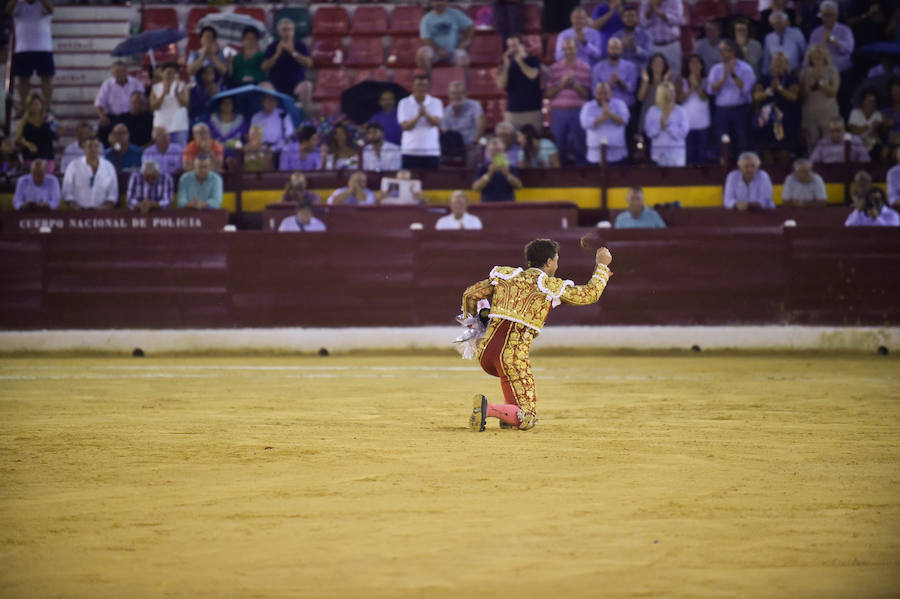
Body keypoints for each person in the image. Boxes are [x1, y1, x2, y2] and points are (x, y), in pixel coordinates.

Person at [462, 238, 613, 431]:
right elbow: (589, 294)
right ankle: (488, 409)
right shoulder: (548, 286)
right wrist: (601, 266)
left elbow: (470, 295)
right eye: (556, 259)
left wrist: (477, 332)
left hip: (486, 352)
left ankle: (506, 414)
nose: (557, 264)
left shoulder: (506, 276)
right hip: (512, 358)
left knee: (513, 392)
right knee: (527, 417)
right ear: (549, 262)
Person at [546, 37, 591, 166]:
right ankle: (560, 177)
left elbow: (587, 94)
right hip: (558, 113)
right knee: (559, 145)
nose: (568, 51)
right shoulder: (554, 68)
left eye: (570, 48)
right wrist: (562, 84)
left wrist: (574, 84)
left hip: (578, 111)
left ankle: (582, 175)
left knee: (580, 144)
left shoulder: (585, 68)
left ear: (576, 49)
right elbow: (548, 94)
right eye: (565, 49)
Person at [707, 40, 755, 157]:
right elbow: (710, 90)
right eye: (720, 51)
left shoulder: (745, 68)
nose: (721, 53)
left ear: (733, 51)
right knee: (722, 145)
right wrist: (723, 78)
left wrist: (733, 74)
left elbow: (746, 89)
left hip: (740, 110)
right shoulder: (716, 69)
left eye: (724, 50)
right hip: (722, 112)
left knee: (742, 142)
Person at [751, 51, 800, 164]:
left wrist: (779, 89)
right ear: (770, 65)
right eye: (775, 62)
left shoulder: (791, 79)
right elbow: (756, 97)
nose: (778, 65)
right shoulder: (764, 79)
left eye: (781, 62)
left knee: (784, 154)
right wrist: (769, 91)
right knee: (767, 154)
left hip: (785, 122)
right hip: (766, 122)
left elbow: (793, 97)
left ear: (786, 65)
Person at [8, 0, 55, 111]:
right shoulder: (18, 5)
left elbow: (51, 9)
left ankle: (47, 108)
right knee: (23, 80)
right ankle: (24, 108)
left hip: (44, 48)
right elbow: (8, 10)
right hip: (23, 48)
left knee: (47, 79)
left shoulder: (43, 5)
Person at [799, 43, 840, 151]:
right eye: (814, 54)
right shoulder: (804, 72)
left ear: (825, 55)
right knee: (812, 142)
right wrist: (808, 86)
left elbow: (834, 92)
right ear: (810, 56)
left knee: (829, 141)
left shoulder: (832, 70)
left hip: (828, 110)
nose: (817, 56)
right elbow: (802, 95)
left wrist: (821, 85)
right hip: (810, 111)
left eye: (820, 53)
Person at [497, 35, 542, 132]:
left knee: (532, 143)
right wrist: (506, 65)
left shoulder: (533, 60)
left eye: (515, 46)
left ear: (522, 46)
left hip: (532, 111)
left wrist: (520, 61)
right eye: (510, 46)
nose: (512, 49)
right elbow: (501, 84)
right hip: (512, 112)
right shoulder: (506, 64)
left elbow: (532, 75)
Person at [398, 73, 443, 169]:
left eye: (424, 85)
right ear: (413, 86)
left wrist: (426, 114)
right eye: (419, 85)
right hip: (409, 150)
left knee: (432, 182)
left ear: (428, 87)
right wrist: (418, 116)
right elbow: (405, 126)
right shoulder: (403, 103)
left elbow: (437, 123)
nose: (421, 88)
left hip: (431, 150)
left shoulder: (436, 102)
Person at [262, 19, 313, 102]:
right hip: (276, 86)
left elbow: (309, 64)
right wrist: (277, 54)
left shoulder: (300, 45)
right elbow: (264, 67)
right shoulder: (272, 46)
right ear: (279, 32)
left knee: (307, 85)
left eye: (290, 29)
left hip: (297, 85)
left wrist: (293, 52)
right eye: (284, 29)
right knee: (264, 85)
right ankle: (270, 115)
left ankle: (303, 114)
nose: (287, 32)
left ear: (293, 31)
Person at [94, 60, 144, 145]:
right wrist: (102, 116)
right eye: (117, 71)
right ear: (112, 73)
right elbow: (98, 104)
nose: (120, 74)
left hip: (132, 117)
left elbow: (143, 100)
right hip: (113, 118)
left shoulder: (136, 83)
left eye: (122, 71)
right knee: (104, 135)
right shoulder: (107, 84)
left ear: (127, 71)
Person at [580, 81, 629, 164]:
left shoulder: (620, 104)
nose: (602, 96)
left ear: (611, 93)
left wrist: (609, 114)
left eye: (605, 93)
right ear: (595, 94)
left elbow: (624, 120)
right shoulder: (588, 106)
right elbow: (585, 123)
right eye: (600, 93)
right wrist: (603, 117)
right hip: (595, 156)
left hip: (617, 154)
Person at [416, 0, 473, 72]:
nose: (439, 3)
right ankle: (428, 77)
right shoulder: (426, 19)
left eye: (442, 0)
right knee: (422, 54)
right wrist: (439, 50)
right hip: (434, 50)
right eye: (436, 1)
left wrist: (462, 44)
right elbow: (426, 38)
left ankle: (457, 79)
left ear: (447, 2)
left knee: (464, 59)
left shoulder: (455, 14)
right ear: (431, 3)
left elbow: (470, 28)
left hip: (454, 49)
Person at [61, 138, 118, 209]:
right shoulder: (73, 166)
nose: (93, 149)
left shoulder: (109, 166)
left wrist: (103, 208)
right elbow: (66, 192)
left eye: (96, 146)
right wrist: (76, 207)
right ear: (84, 148)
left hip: (103, 213)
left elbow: (113, 194)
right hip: (78, 213)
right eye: (90, 146)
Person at [677, 53, 711, 165]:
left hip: (703, 124)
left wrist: (697, 85)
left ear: (701, 66)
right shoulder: (682, 81)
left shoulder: (707, 80)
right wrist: (691, 88)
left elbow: (704, 97)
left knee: (702, 157)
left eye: (697, 62)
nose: (694, 65)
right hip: (687, 125)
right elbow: (679, 99)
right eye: (692, 62)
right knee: (689, 157)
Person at [441, 80, 484, 168]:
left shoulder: (474, 106)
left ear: (465, 94)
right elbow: (445, 132)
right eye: (453, 93)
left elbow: (481, 124)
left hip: (472, 145)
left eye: (459, 93)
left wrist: (474, 142)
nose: (457, 96)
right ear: (449, 95)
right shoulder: (446, 112)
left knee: (473, 152)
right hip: (454, 148)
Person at [644, 80, 688, 166]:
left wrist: (668, 128)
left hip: (676, 155)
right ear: (662, 94)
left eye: (673, 91)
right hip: (658, 154)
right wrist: (660, 126)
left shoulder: (681, 111)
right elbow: (649, 132)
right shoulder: (652, 111)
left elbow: (684, 132)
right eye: (670, 91)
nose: (674, 94)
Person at [639, 0, 683, 78]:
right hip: (652, 46)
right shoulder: (646, 2)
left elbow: (678, 20)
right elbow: (643, 23)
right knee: (652, 76)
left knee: (674, 76)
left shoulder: (675, 1)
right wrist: (650, 10)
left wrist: (658, 12)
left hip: (671, 45)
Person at [150, 61, 189, 147]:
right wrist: (163, 93)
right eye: (168, 72)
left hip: (179, 126)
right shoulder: (155, 87)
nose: (170, 75)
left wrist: (176, 93)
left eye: (173, 73)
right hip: (161, 126)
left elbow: (185, 104)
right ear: (162, 73)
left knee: (179, 153)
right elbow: (153, 107)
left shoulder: (182, 86)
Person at [591, 38, 639, 109]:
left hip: (625, 106)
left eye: (617, 48)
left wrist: (620, 82)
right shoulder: (598, 67)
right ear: (607, 49)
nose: (614, 51)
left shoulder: (631, 67)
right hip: (603, 106)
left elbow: (632, 89)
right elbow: (593, 91)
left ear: (622, 50)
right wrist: (609, 85)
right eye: (612, 48)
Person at [14, 91, 55, 172]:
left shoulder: (48, 119)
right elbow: (17, 140)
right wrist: (27, 144)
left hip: (47, 157)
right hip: (30, 158)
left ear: (41, 105)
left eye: (36, 104)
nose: (34, 107)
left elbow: (55, 135)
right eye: (31, 104)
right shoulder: (23, 122)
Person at [808, 1, 854, 73]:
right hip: (821, 71)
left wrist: (833, 39)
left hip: (842, 71)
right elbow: (810, 52)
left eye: (831, 15)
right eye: (826, 15)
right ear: (821, 16)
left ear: (836, 15)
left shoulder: (845, 30)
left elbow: (849, 49)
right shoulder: (815, 32)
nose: (828, 18)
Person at [472, 137, 522, 202]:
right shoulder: (482, 168)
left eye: (498, 150)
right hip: (487, 206)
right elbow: (475, 188)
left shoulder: (510, 167)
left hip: (508, 206)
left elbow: (519, 186)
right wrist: (489, 174)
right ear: (489, 152)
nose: (496, 153)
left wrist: (507, 174)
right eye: (493, 150)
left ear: (503, 151)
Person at [635, 52, 670, 139]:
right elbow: (640, 98)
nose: (658, 65)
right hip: (646, 121)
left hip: (662, 122)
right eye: (655, 62)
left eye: (661, 62)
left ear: (664, 66)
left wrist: (665, 81)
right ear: (651, 65)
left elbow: (669, 100)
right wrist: (645, 82)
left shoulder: (669, 83)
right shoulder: (645, 81)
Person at [763, 10, 807, 75]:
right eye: (776, 23)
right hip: (775, 74)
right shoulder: (769, 38)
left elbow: (805, 53)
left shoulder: (796, 33)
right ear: (771, 24)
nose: (778, 25)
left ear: (786, 22)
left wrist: (802, 69)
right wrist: (766, 75)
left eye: (780, 22)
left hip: (794, 72)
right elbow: (767, 59)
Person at [612, 3, 652, 70]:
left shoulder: (646, 35)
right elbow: (611, 56)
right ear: (622, 19)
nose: (629, 19)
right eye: (627, 16)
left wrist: (634, 48)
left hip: (640, 73)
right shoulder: (616, 36)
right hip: (621, 73)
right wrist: (621, 48)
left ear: (637, 18)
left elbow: (649, 55)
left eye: (632, 16)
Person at [847, 91, 884, 161]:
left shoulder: (878, 114)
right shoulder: (855, 112)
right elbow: (854, 130)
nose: (871, 103)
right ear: (863, 101)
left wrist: (863, 129)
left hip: (873, 145)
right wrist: (870, 127)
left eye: (873, 101)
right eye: (868, 100)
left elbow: (877, 134)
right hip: (856, 143)